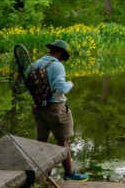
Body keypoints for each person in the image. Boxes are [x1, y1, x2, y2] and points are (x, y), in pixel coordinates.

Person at [27, 40, 89, 182]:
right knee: (63, 140)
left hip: (38, 108)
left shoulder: (33, 65)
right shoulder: (57, 66)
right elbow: (61, 88)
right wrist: (70, 84)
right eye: (63, 57)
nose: (62, 60)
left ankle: (44, 175)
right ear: (60, 53)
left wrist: (39, 99)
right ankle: (69, 174)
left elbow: (29, 88)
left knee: (42, 142)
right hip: (56, 109)